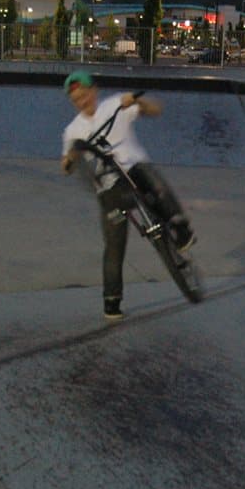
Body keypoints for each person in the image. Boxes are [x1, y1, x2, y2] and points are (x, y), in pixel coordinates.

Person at [61, 70, 195, 321]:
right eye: (76, 100)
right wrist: (70, 159)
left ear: (94, 91)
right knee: (114, 244)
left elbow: (155, 110)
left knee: (152, 180)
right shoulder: (73, 131)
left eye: (85, 95)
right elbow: (65, 165)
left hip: (136, 171)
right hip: (110, 187)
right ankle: (112, 301)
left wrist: (137, 102)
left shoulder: (114, 105)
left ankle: (180, 227)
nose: (82, 102)